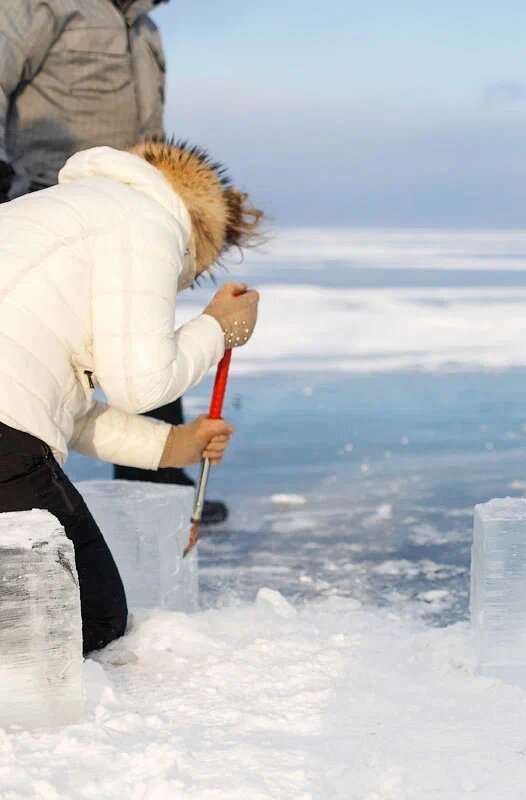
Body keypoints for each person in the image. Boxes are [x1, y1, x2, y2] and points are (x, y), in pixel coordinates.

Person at [0, 138, 263, 653]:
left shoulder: (57, 212)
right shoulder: (147, 222)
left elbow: (55, 404)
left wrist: (173, 446)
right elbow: (139, 385)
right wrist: (217, 329)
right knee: (89, 618)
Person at [0, 0, 228, 524]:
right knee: (44, 369)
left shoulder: (145, 30)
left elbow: (153, 136)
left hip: (134, 218)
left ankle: (157, 487)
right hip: (47, 201)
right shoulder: (45, 5)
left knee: (137, 342)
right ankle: (31, 486)